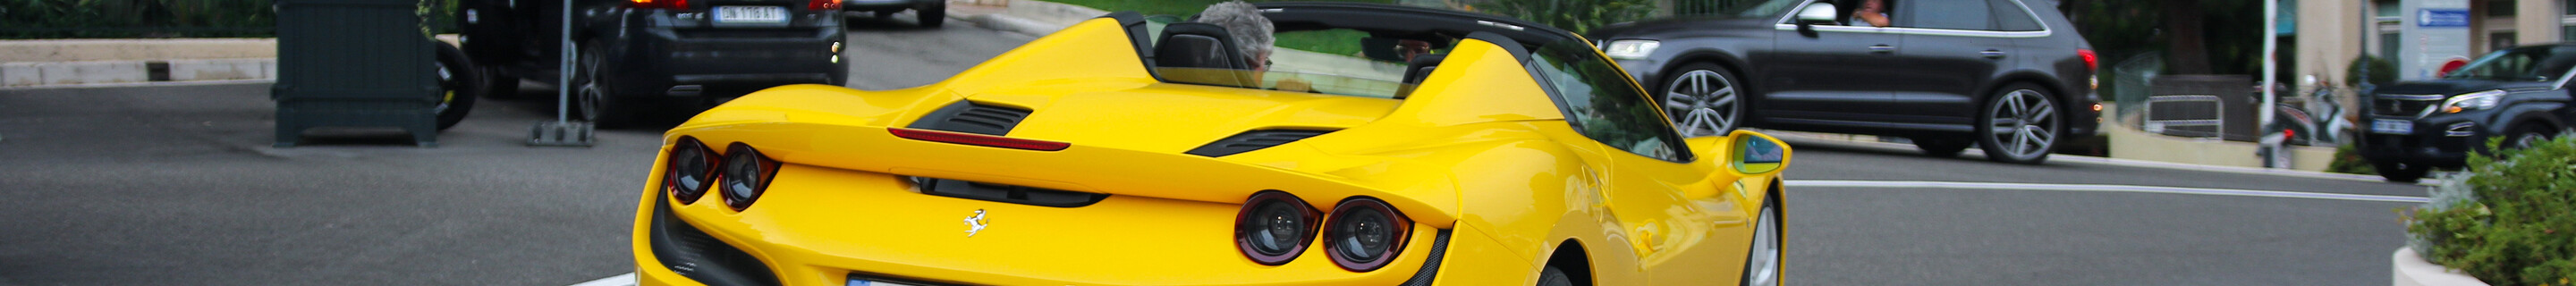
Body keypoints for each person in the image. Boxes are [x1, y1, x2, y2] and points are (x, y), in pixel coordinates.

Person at [1194, 1, 1314, 92]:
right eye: (1265, 63)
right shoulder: (1252, 109)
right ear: (1251, 64)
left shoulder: (1181, 85)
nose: (1264, 72)